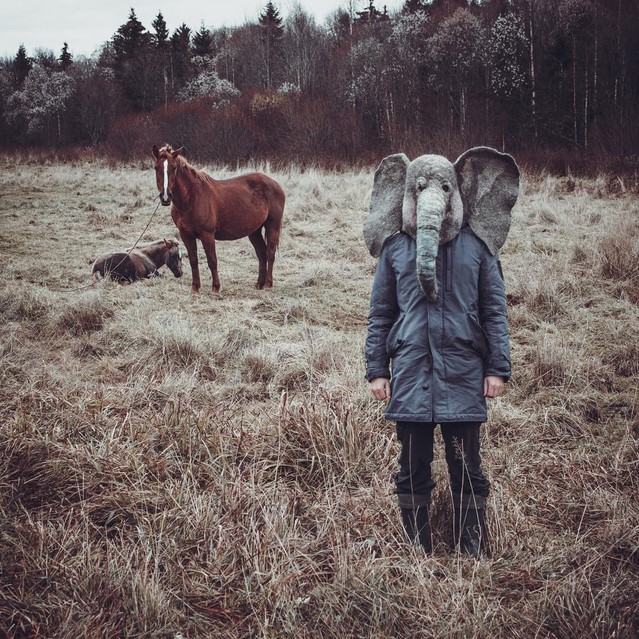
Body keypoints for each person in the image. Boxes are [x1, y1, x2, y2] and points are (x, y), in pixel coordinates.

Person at [364, 221, 511, 558]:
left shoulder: (479, 245)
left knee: (466, 464)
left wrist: (497, 368)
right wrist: (376, 369)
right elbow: (381, 313)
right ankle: (416, 547)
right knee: (412, 466)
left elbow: (494, 310)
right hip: (411, 371)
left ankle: (470, 547)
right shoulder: (395, 247)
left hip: (464, 371)